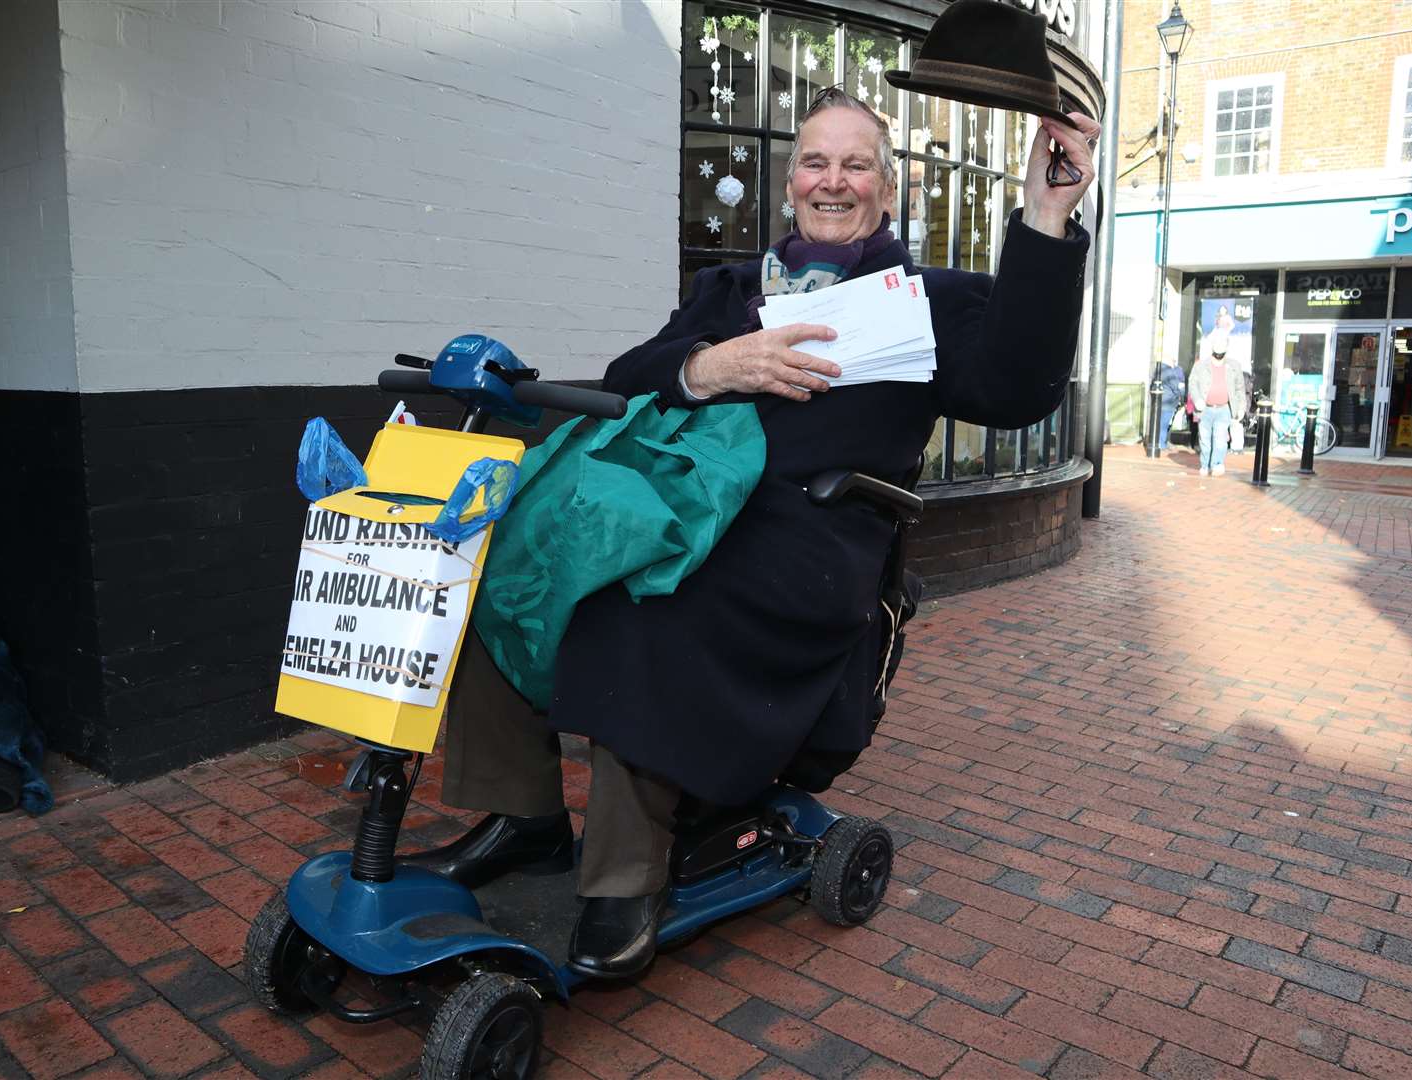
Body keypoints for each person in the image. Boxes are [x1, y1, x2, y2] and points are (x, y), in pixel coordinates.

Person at [407, 88, 1100, 978]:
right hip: (676, 509)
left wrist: (1045, 214)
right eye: (816, 161)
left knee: (640, 609)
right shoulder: (730, 290)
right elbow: (631, 377)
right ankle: (526, 818)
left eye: (857, 165)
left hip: (805, 538)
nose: (833, 181)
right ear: (789, 184)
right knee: (502, 567)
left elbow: (1017, 388)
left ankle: (624, 875)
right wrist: (710, 364)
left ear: (887, 193)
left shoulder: (927, 302)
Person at [1188, 328, 1247, 476]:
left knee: (1220, 440)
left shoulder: (1234, 366)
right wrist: (1197, 400)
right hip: (1205, 409)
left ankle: (1217, 464)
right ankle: (1205, 464)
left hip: (1224, 409)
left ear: (1226, 348)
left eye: (1223, 345)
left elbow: (1240, 388)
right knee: (1205, 441)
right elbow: (1192, 384)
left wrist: (1241, 408)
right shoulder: (1200, 366)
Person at [1155, 361, 1186, 453]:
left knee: (1161, 424)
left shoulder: (1158, 370)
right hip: (1169, 401)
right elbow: (1176, 387)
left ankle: (1161, 442)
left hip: (1160, 400)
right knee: (1165, 424)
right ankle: (1162, 444)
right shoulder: (1170, 372)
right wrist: (1181, 395)